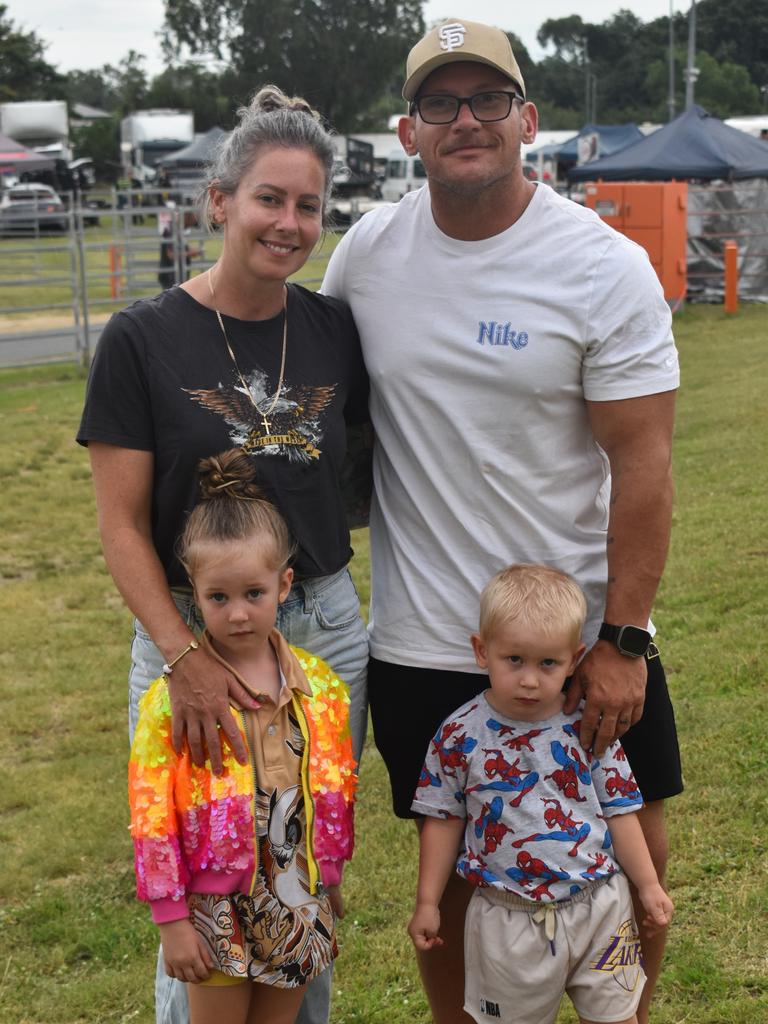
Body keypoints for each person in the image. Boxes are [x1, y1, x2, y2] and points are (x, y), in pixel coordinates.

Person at [322, 18, 682, 1024]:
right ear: (407, 130)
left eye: (487, 100)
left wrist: (623, 637)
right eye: (441, 102)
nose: (466, 119)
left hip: (580, 637)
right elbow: (314, 403)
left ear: (528, 118)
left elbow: (644, 462)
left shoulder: (600, 265)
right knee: (469, 884)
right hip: (430, 636)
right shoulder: (367, 256)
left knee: (636, 848)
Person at [78, 85, 369, 1024]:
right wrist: (184, 656)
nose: (289, 224)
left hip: (319, 629)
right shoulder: (142, 338)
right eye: (269, 199)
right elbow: (122, 525)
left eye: (309, 205)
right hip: (191, 631)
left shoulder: (333, 329)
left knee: (300, 880)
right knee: (206, 892)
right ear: (220, 202)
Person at [130, 448, 357, 1024]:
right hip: (213, 905)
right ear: (194, 591)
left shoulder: (320, 687)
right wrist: (171, 918)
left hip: (297, 892)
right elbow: (152, 812)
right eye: (218, 598)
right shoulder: (172, 699)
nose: (236, 614)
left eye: (253, 594)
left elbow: (333, 788)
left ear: (284, 585)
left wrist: (327, 871)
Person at [408, 564, 674, 1024]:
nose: (529, 679)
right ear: (482, 651)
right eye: (514, 660)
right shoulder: (457, 736)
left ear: (574, 659)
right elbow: (443, 818)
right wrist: (428, 901)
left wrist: (648, 885)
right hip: (506, 917)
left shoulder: (590, 728)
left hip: (600, 907)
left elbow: (620, 810)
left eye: (547, 663)